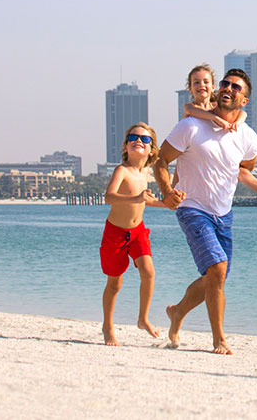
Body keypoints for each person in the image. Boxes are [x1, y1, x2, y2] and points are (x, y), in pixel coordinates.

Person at [153, 68, 257, 355]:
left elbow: (247, 166)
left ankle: (176, 313)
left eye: (236, 87)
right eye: (225, 83)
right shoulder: (190, 126)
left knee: (216, 277)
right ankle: (219, 339)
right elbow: (160, 160)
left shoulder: (248, 136)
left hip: (224, 213)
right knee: (218, 269)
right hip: (191, 208)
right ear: (217, 90)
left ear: (244, 100)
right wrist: (167, 192)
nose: (229, 88)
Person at [179, 64, 257, 207]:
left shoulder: (216, 106)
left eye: (206, 82)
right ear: (190, 89)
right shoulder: (191, 107)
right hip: (189, 158)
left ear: (213, 87)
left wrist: (236, 123)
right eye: (196, 82)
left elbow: (243, 113)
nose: (201, 85)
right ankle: (170, 199)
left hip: (211, 157)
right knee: (178, 185)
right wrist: (216, 119)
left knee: (242, 172)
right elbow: (197, 113)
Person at [100, 122, 166, 346]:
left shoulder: (147, 172)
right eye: (133, 137)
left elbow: (147, 200)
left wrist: (168, 204)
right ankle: (108, 327)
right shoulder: (122, 170)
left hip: (138, 232)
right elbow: (109, 196)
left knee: (148, 271)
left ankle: (143, 318)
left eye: (145, 139)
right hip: (116, 233)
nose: (139, 140)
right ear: (126, 147)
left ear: (151, 150)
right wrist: (136, 199)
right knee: (114, 284)